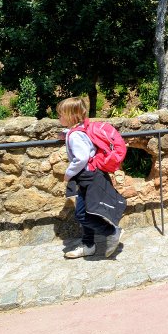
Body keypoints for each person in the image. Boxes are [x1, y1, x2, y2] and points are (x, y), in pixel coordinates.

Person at [59, 98, 124, 259]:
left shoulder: (75, 136)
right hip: (92, 175)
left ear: (71, 116)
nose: (58, 117)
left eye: (61, 114)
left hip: (89, 177)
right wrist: (66, 134)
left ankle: (112, 232)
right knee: (87, 211)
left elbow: (80, 158)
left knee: (82, 214)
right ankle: (88, 245)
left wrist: (68, 174)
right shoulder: (81, 130)